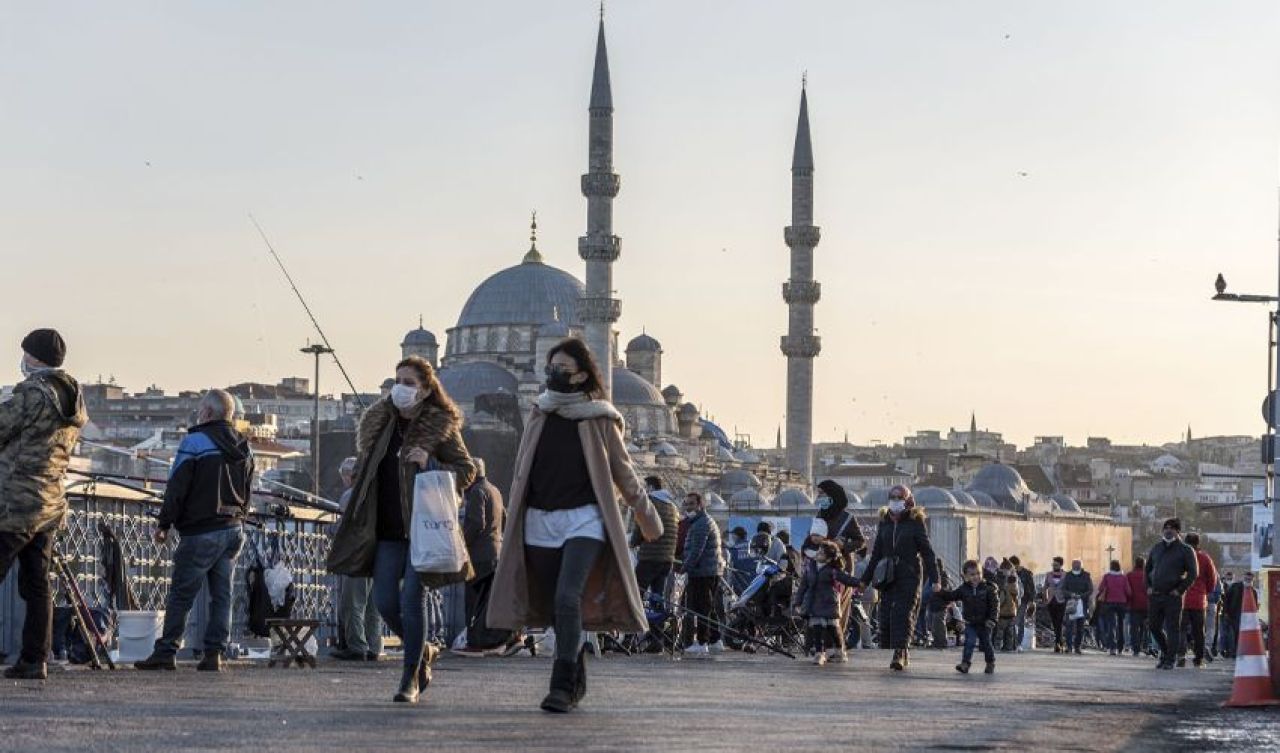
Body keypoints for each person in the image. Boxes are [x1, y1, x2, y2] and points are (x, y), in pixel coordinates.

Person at [487, 338, 662, 713]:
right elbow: (522, 470)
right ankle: (577, 675)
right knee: (555, 605)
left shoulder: (600, 417)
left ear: (581, 374)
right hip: (539, 519)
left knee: (569, 597)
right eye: (551, 367)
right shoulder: (539, 412)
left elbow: (624, 473)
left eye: (563, 369)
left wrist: (649, 518)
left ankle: (561, 686)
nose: (554, 375)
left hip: (585, 519)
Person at [327, 355, 476, 703]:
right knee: (384, 601)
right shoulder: (380, 424)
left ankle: (409, 676)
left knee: (412, 599)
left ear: (425, 390)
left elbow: (467, 470)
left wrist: (432, 462)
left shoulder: (440, 426)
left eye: (409, 383)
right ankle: (423, 649)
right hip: (386, 529)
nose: (400, 389)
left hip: (423, 529)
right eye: (398, 381)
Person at [136, 389, 253, 673]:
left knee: (181, 594)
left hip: (201, 530)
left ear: (209, 413)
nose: (198, 414)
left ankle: (166, 651)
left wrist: (164, 523)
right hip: (233, 527)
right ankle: (214, 653)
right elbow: (248, 488)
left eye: (201, 409)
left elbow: (177, 486)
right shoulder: (244, 445)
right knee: (222, 594)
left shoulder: (195, 441)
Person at [0, 329, 86, 680]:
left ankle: (33, 659)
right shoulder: (74, 399)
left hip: (16, 503)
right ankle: (36, 659)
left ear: (34, 358)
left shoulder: (33, 394)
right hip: (50, 504)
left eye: (25, 354)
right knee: (38, 585)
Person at [859, 484, 939, 671]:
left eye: (899, 498)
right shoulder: (885, 522)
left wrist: (936, 579)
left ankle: (900, 653)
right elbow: (876, 553)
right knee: (886, 615)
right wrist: (864, 580)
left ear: (908, 500)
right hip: (888, 576)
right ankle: (899, 648)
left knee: (903, 613)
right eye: (892, 497)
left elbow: (927, 553)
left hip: (909, 575)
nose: (895, 501)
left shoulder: (915, 522)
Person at [455, 457, 514, 656]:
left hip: (478, 556)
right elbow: (505, 519)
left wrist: (459, 543)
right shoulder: (495, 490)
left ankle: (474, 642)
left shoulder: (476, 493)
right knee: (488, 602)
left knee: (472, 602)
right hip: (495, 554)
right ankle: (491, 640)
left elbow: (475, 523)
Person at [332, 456, 383, 661]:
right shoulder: (379, 494)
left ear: (352, 476)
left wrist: (330, 529)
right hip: (377, 555)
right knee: (373, 606)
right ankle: (374, 646)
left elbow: (342, 528)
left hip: (356, 556)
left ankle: (356, 646)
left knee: (352, 603)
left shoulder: (350, 496)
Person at [794, 540, 860, 665]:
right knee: (817, 629)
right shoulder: (810, 567)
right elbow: (803, 586)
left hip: (830, 603)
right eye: (818, 551)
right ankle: (820, 654)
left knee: (833, 629)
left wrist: (860, 583)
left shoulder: (832, 570)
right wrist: (798, 602)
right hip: (814, 603)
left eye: (821, 553)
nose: (818, 554)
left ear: (829, 559)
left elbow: (845, 579)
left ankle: (840, 652)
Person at [1145, 517, 1198, 670]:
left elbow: (1193, 573)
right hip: (1155, 595)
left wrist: (1180, 590)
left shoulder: (1186, 550)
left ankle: (1170, 659)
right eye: (1166, 528)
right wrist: (1148, 586)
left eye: (1172, 528)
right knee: (1154, 626)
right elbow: (1147, 569)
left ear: (1178, 531)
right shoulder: (1156, 548)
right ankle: (1166, 651)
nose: (1168, 530)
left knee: (1172, 628)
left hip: (1173, 596)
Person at [935, 559, 998, 674]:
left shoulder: (988, 588)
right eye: (972, 574)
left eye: (978, 573)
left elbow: (995, 605)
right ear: (966, 576)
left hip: (985, 623)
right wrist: (940, 592)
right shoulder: (964, 589)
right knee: (969, 642)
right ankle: (965, 663)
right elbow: (951, 595)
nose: (976, 577)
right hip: (970, 623)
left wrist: (992, 619)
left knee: (986, 644)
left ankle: (990, 662)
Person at [681, 491, 725, 655]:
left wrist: (685, 567)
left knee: (701, 608)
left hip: (702, 571)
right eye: (686, 504)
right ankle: (715, 639)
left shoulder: (700, 524)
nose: (688, 507)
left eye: (692, 504)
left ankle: (702, 642)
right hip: (710, 570)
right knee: (709, 606)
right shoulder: (703, 521)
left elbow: (696, 551)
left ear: (700, 505)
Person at [631, 476, 678, 599]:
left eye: (645, 487)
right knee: (658, 594)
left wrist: (632, 543)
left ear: (651, 487)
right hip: (667, 558)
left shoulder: (649, 502)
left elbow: (641, 526)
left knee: (636, 591)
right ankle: (659, 616)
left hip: (650, 556)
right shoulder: (671, 505)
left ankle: (636, 618)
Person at [1178, 532, 1217, 668]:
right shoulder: (1205, 558)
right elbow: (1213, 579)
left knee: (1181, 629)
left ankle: (1181, 656)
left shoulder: (1180, 557)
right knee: (1199, 631)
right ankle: (1198, 659)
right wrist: (1206, 591)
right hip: (1199, 600)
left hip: (1181, 599)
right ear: (1198, 543)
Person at [1096, 559, 1130, 656]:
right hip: (1121, 603)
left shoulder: (1107, 577)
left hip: (1109, 603)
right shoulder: (1123, 578)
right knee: (1121, 625)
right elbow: (1128, 591)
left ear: (1111, 567)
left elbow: (1100, 588)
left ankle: (1112, 647)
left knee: (1111, 625)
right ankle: (1120, 647)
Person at [1220, 571, 1257, 659]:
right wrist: (1225, 612)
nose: (1248, 581)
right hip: (1234, 614)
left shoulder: (1253, 591)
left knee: (1243, 635)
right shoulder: (1235, 587)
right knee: (1234, 634)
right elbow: (1227, 600)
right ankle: (1233, 652)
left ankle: (1239, 652)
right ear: (1243, 578)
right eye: (1246, 579)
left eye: (1250, 579)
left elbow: (1255, 605)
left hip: (1247, 616)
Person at [1061, 558, 1093, 655]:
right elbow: (1063, 589)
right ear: (1071, 565)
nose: (1076, 565)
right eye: (1074, 564)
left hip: (1082, 603)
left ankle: (1077, 647)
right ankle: (1069, 647)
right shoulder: (1068, 575)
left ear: (1081, 565)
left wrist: (1081, 596)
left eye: (1078, 564)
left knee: (1080, 627)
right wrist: (1071, 594)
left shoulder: (1086, 576)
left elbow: (1090, 589)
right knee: (1069, 626)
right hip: (1070, 603)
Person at [1043, 557, 1069, 653]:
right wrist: (1045, 597)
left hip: (1061, 601)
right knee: (1055, 623)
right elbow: (1045, 586)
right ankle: (1060, 643)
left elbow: (1067, 587)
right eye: (1053, 565)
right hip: (1051, 601)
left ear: (1061, 565)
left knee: (1059, 622)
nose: (1054, 566)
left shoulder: (1066, 575)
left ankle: (1058, 643)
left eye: (1056, 565)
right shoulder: (1049, 575)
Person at [1009, 555, 1036, 650]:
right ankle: (1012, 642)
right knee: (1012, 621)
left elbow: (1032, 588)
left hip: (1023, 600)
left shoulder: (1027, 574)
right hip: (1011, 601)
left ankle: (1018, 643)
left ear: (1016, 565)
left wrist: (1031, 601)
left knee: (1019, 621)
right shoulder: (1010, 573)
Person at [1126, 556, 1150, 656]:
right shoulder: (1148, 575)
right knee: (1145, 627)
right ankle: (1145, 645)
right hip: (1147, 605)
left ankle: (1136, 648)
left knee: (1134, 628)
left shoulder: (1129, 575)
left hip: (1133, 605)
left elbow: (1127, 590)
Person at [996, 562, 1021, 651]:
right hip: (1011, 611)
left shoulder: (1007, 584)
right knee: (1009, 632)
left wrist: (997, 607)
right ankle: (1008, 646)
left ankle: (999, 646)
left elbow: (1002, 599)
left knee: (1001, 631)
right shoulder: (1014, 582)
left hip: (1004, 611)